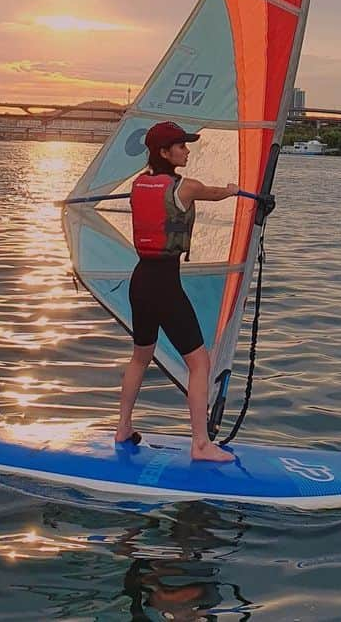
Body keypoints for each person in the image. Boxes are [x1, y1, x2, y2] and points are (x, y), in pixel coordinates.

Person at [115, 120, 239, 463]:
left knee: (141, 355)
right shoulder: (185, 188)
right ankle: (201, 444)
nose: (186, 151)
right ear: (164, 152)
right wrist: (230, 189)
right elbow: (214, 193)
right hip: (165, 285)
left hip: (140, 281)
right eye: (181, 147)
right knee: (200, 362)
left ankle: (123, 426)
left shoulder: (138, 184)